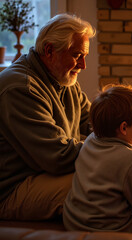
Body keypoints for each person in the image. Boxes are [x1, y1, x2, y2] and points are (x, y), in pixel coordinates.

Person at [0, 13, 95, 221]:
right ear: (50, 50)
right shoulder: (20, 88)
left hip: (43, 173)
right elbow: (59, 157)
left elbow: (96, 123)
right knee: (101, 182)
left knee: (111, 172)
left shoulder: (64, 79)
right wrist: (116, 150)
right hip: (13, 188)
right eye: (77, 55)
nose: (83, 65)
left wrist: (125, 137)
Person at [63, 84, 132, 233]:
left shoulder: (91, 139)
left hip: (73, 222)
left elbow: (111, 156)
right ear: (124, 128)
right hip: (111, 230)